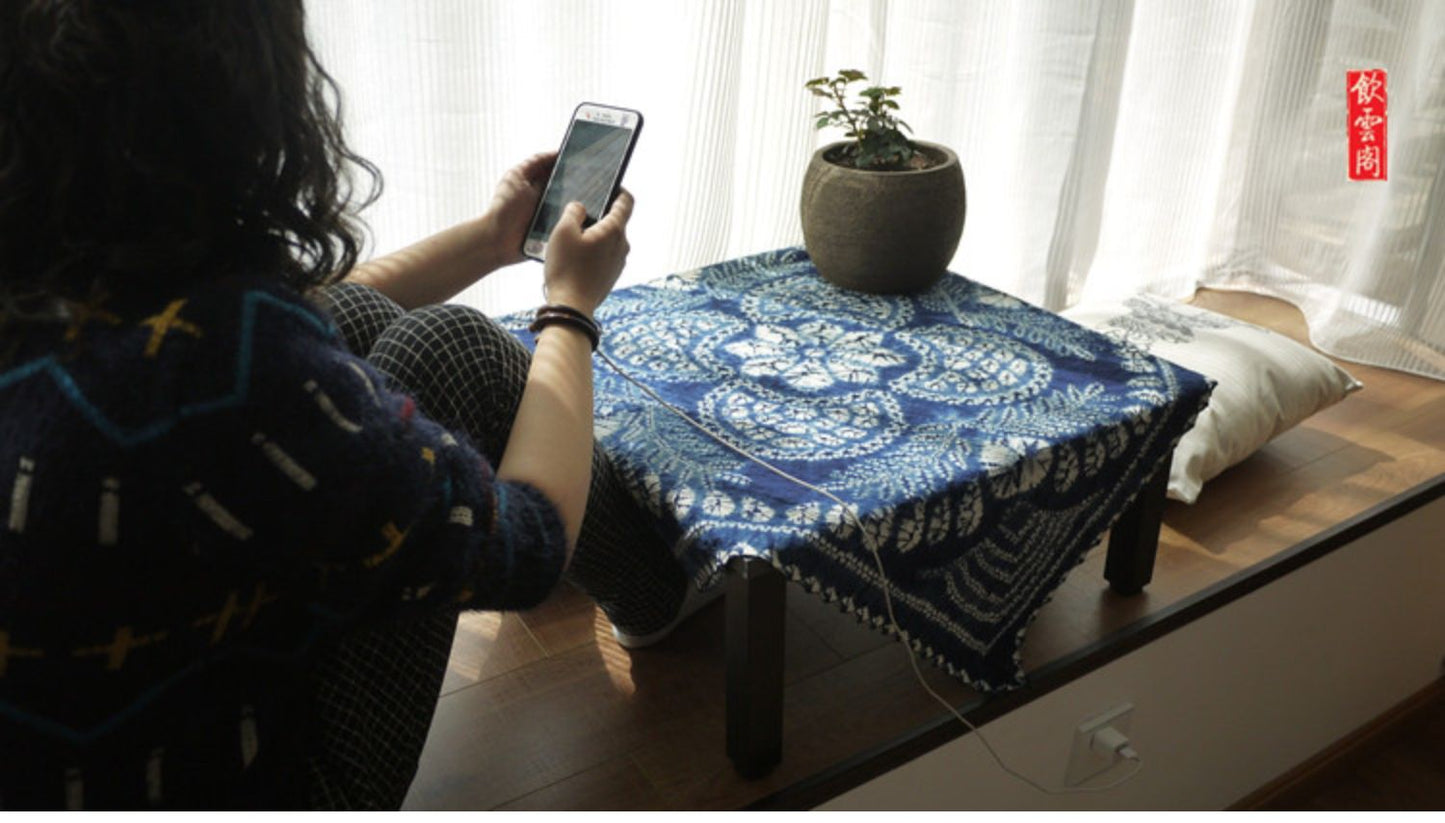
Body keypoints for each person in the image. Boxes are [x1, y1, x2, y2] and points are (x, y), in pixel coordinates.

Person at [0, 0, 697, 809]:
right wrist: (570, 308)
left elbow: (307, 314)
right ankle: (657, 593)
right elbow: (530, 544)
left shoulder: (57, 287)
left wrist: (490, 238)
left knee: (359, 322)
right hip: (256, 785)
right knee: (451, 348)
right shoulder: (224, 371)